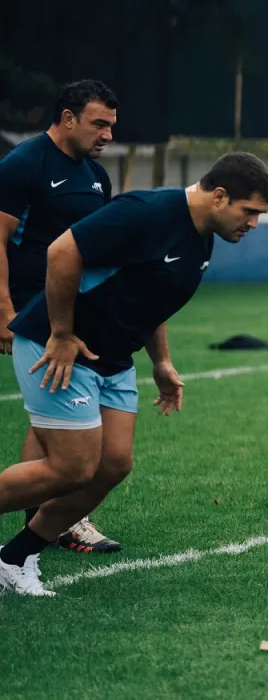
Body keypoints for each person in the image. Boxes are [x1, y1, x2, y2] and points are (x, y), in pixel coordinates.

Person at [0, 153, 268, 595]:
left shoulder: (203, 234)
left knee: (112, 465)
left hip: (113, 358)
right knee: (71, 468)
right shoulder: (146, 213)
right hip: (63, 350)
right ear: (220, 196)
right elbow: (61, 252)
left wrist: (161, 362)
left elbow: (152, 298)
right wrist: (62, 333)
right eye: (250, 212)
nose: (254, 224)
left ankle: (15, 558)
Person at [0, 80, 121, 555]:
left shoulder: (96, 177)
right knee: (58, 419)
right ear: (68, 118)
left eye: (112, 124)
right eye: (99, 123)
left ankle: (46, 516)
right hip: (30, 314)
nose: (108, 134)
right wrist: (4, 310)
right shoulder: (24, 165)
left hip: (69, 312)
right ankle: (58, 517)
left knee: (49, 416)